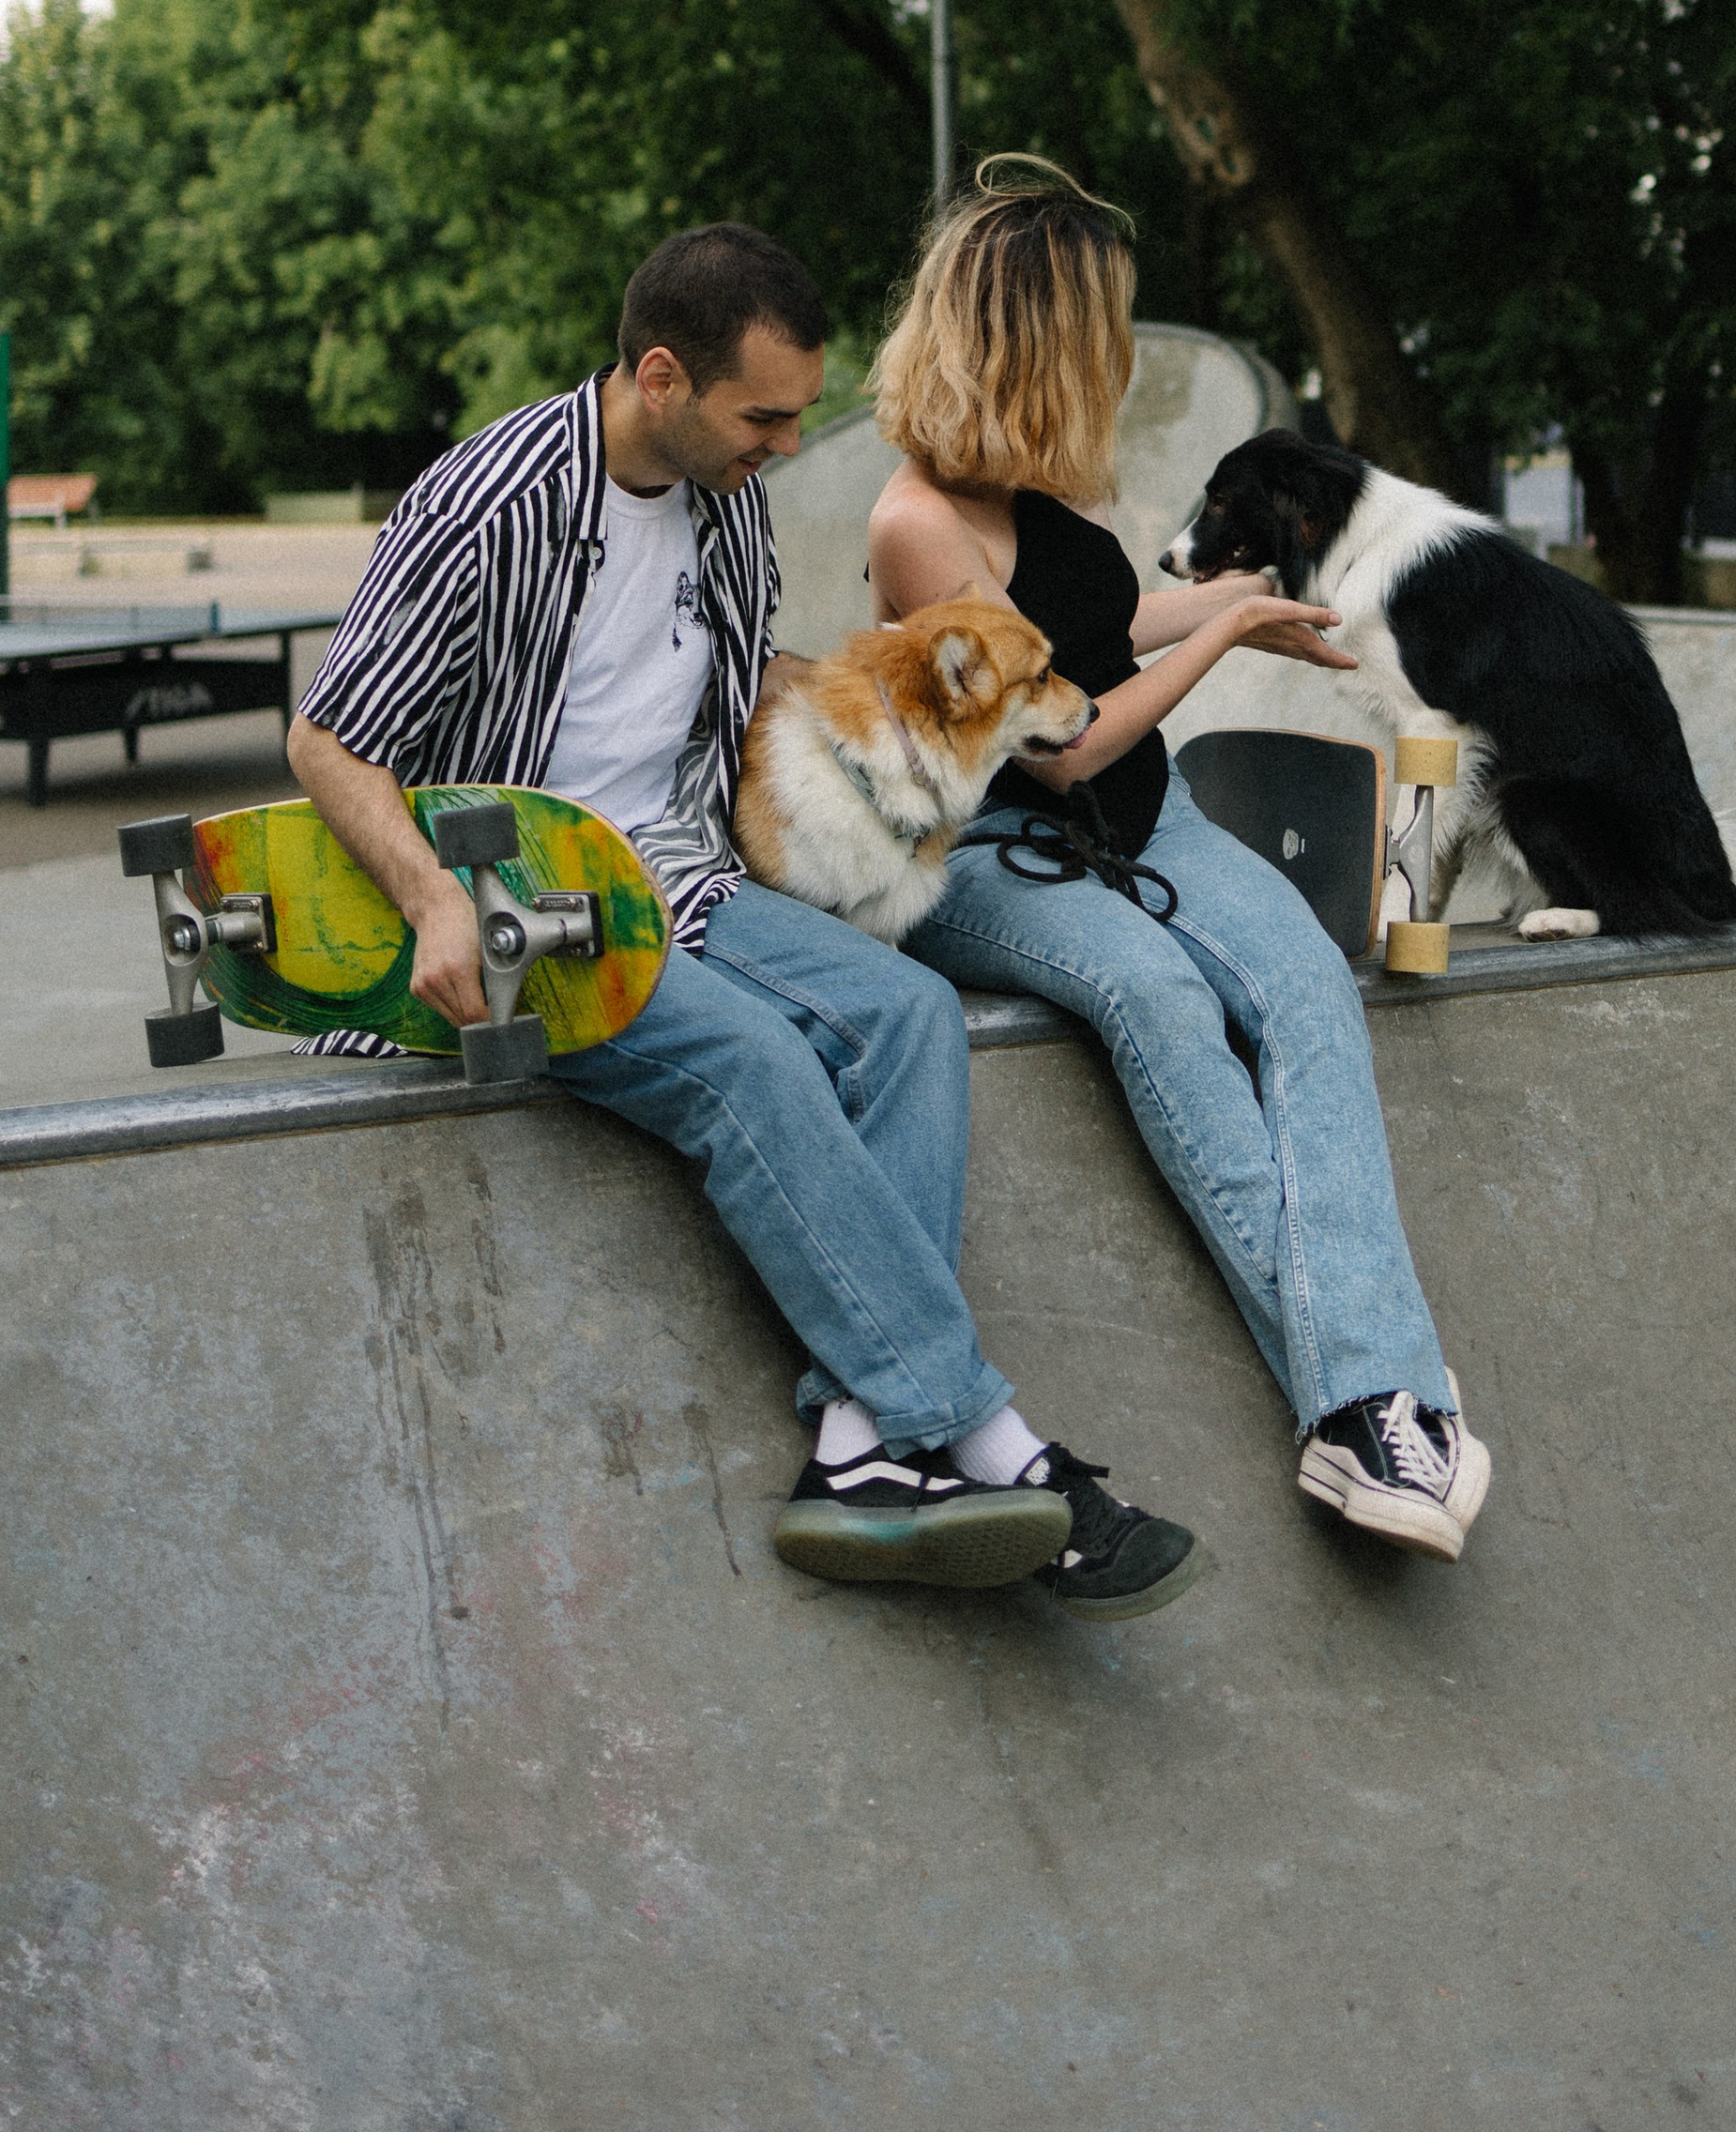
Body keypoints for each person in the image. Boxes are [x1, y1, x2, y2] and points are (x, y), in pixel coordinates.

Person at [287, 220, 1203, 1622]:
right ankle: (997, 1445)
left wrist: (871, 730)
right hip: (522, 909)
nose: (785, 443)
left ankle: (855, 1447)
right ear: (661, 376)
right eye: (762, 416)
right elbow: (328, 741)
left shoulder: (725, 501)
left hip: (683, 879)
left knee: (904, 1017)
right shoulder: (495, 503)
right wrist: (430, 903)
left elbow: (721, 691)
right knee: (756, 1067)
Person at [868, 160, 1492, 1562]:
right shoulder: (915, 525)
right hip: (996, 858)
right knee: (1160, 1004)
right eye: (1108, 331)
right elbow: (1060, 746)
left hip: (1155, 826)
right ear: (1039, 337)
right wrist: (1219, 646)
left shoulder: (1028, 481)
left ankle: (1361, 1407)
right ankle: (1377, 1393)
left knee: (1308, 993)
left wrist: (1210, 603)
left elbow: (1093, 621)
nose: (1123, 359)